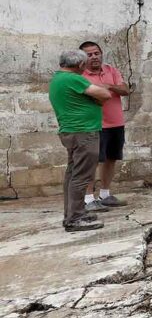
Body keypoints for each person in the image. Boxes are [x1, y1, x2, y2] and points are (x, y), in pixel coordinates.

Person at [48, 49, 112, 231]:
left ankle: (72, 213)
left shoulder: (58, 79)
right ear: (80, 64)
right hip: (83, 132)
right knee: (81, 176)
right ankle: (75, 218)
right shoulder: (73, 79)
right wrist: (99, 96)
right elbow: (105, 95)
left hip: (71, 131)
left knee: (72, 174)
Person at [79, 41, 132, 210]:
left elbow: (125, 90)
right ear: (82, 58)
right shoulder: (80, 76)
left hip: (116, 123)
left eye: (96, 53)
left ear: (101, 54)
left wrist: (109, 85)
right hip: (94, 125)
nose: (94, 57)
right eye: (89, 54)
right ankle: (88, 199)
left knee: (111, 159)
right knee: (92, 162)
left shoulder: (111, 70)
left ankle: (105, 194)